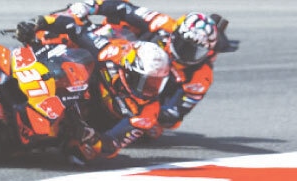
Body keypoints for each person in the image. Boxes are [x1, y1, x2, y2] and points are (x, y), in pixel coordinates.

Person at [58, 2, 230, 138]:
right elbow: (123, 8)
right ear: (176, 33)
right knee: (97, 26)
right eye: (184, 45)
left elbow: (174, 114)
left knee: (150, 130)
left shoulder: (201, 77)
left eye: (195, 50)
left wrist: (144, 107)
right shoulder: (164, 24)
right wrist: (90, 6)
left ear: (207, 52)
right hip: (119, 63)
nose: (187, 53)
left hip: (142, 101)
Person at [15, 14, 171, 164]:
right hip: (73, 87)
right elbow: (73, 27)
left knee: (82, 153)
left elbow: (112, 145)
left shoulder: (148, 112)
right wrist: (38, 23)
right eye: (146, 82)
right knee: (54, 41)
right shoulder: (110, 53)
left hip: (90, 125)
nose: (150, 90)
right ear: (128, 70)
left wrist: (92, 138)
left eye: (155, 83)